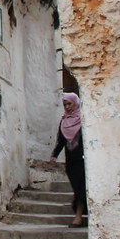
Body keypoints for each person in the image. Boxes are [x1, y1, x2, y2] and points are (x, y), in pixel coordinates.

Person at [49, 92, 87, 227]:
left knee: (81, 189)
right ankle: (80, 214)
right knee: (77, 189)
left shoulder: (84, 118)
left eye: (69, 104)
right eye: (65, 104)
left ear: (75, 103)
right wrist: (54, 155)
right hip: (71, 162)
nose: (67, 107)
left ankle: (78, 217)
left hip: (84, 161)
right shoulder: (64, 121)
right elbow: (61, 141)